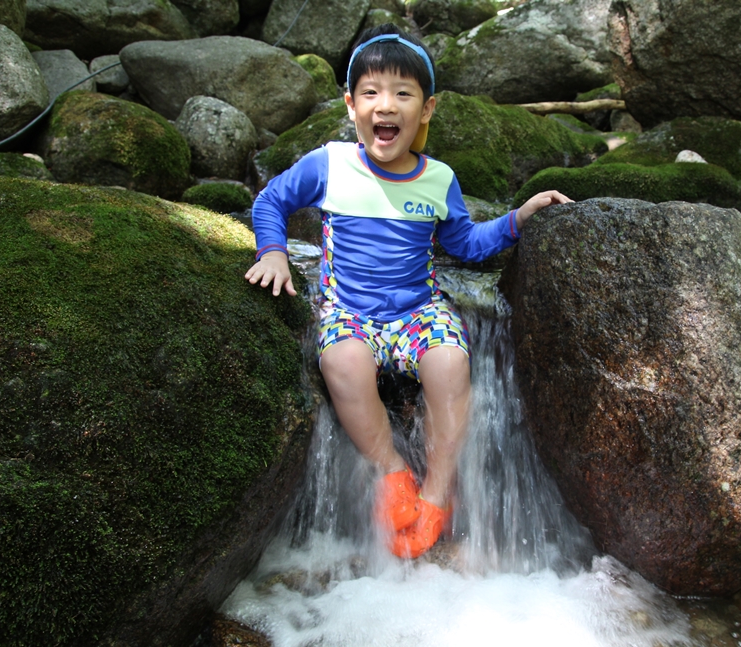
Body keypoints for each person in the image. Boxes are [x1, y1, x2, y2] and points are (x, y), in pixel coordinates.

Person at [244, 24, 572, 558]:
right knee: (343, 363)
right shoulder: (329, 165)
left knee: (449, 363)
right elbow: (270, 203)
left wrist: (518, 217)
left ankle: (438, 489)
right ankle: (392, 471)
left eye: (402, 93)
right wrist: (274, 253)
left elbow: (464, 244)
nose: (385, 105)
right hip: (349, 310)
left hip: (419, 309)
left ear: (427, 109)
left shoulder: (437, 178)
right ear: (351, 105)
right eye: (370, 93)